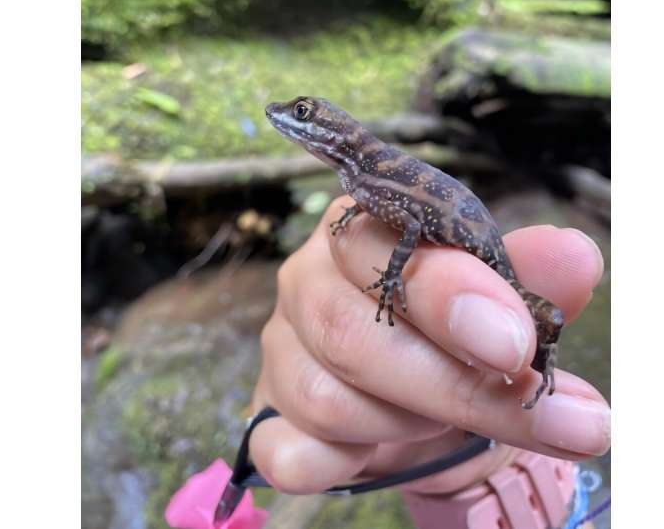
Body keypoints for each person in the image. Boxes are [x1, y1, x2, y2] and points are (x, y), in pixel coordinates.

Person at [248, 196, 611, 527]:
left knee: (545, 317)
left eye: (303, 116)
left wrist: (498, 466)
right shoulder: (364, 189)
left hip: (484, 265)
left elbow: (409, 224)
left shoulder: (366, 188)